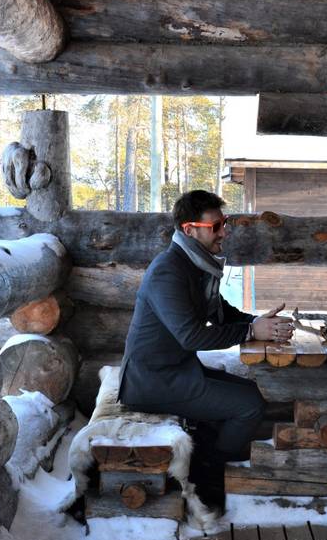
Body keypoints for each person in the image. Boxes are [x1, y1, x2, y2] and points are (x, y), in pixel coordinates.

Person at [118, 189, 294, 513]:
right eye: (216, 226)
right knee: (250, 405)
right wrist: (252, 331)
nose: (224, 232)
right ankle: (208, 476)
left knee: (252, 391)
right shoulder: (168, 271)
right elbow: (191, 336)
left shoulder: (195, 265)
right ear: (190, 229)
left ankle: (209, 458)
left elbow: (220, 311)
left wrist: (257, 321)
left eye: (224, 223)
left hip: (176, 373)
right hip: (153, 382)